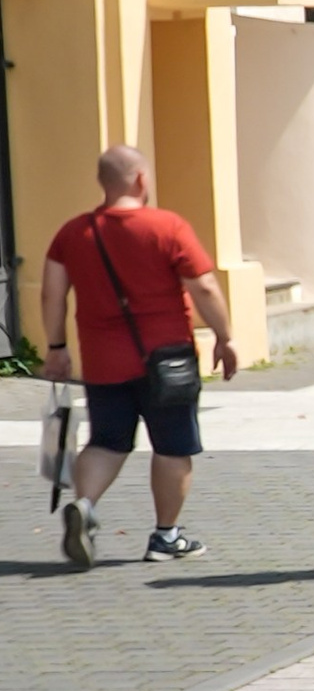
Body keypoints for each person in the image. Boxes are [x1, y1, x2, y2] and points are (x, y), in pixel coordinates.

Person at [39, 145, 240, 569]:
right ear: (141, 180)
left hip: (101, 362)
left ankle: (86, 505)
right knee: (172, 447)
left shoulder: (74, 233)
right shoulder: (167, 227)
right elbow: (203, 286)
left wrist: (56, 348)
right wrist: (224, 337)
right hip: (167, 361)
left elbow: (52, 293)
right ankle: (166, 536)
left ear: (103, 182)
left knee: (107, 441)